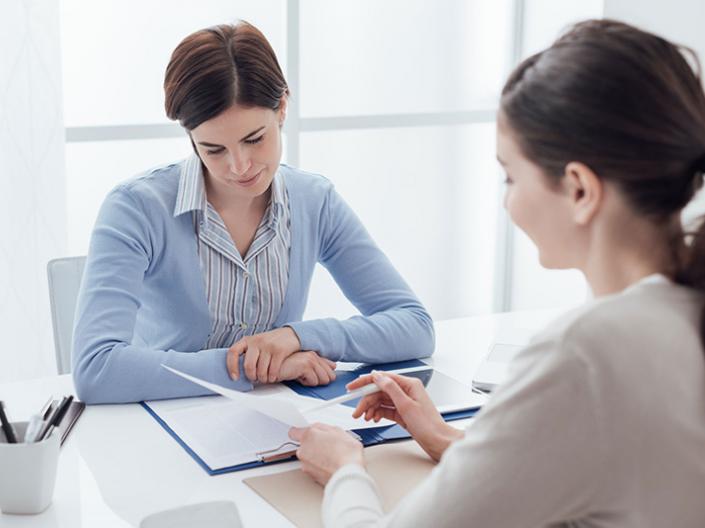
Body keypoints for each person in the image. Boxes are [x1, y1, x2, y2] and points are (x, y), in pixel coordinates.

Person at [290, 19, 705, 527]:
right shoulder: (682, 311)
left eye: (511, 176)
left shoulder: (586, 353)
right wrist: (443, 437)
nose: (507, 202)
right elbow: (598, 463)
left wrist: (343, 472)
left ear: (579, 190)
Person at [72, 21, 434, 404]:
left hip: (273, 422)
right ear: (190, 137)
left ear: (281, 109)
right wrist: (253, 367)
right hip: (162, 424)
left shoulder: (315, 201)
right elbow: (96, 369)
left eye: (254, 139)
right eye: (213, 149)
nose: (239, 166)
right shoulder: (136, 208)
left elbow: (414, 325)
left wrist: (297, 336)